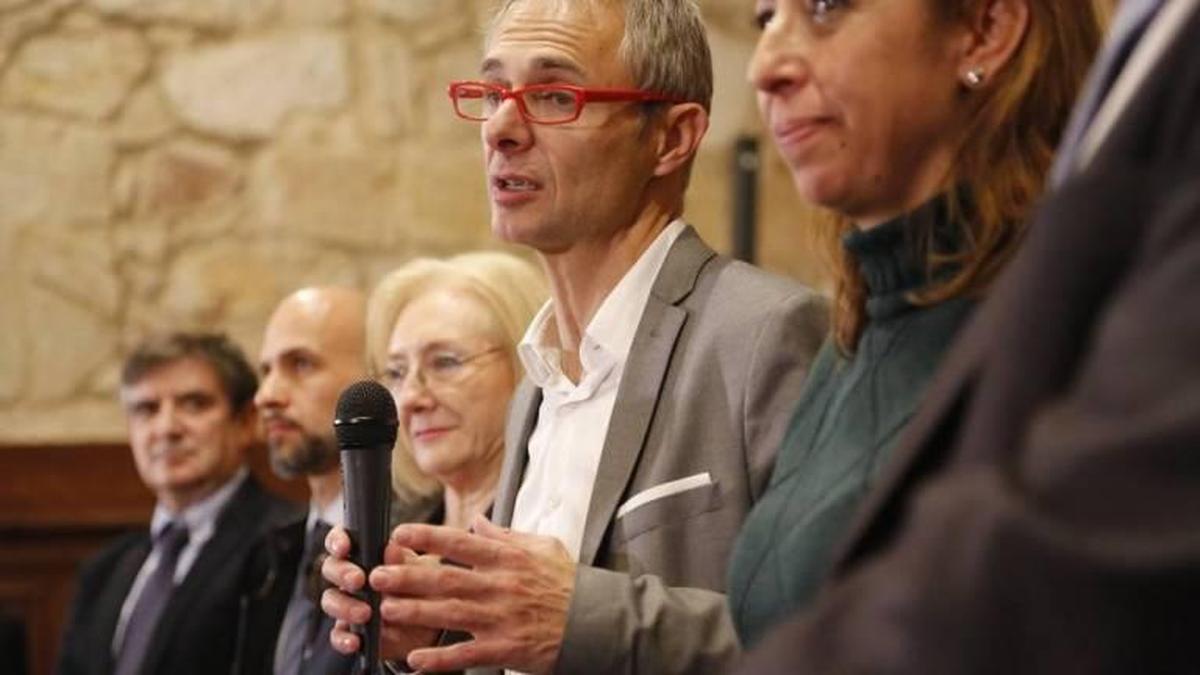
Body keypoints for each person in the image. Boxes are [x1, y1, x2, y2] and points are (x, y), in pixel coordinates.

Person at [321, 0, 829, 673]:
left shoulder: (766, 334)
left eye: (554, 94)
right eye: (494, 90)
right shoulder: (535, 383)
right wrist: (435, 640)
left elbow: (845, 633)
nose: (501, 127)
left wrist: (582, 617)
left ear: (672, 137)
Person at [735, 0, 1200, 671]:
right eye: (764, 18)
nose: (764, 66)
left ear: (985, 32)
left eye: (825, 7)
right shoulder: (857, 324)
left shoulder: (1062, 322)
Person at [56, 333, 295, 675]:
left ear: (244, 422)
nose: (167, 428)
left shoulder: (286, 543)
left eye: (194, 404)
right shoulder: (104, 571)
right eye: (147, 410)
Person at [235, 286, 436, 675]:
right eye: (266, 371)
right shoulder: (275, 547)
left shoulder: (416, 545)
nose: (266, 396)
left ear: (375, 379)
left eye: (301, 364)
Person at [366, 253, 547, 530]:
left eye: (445, 363)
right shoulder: (390, 538)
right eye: (397, 373)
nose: (411, 399)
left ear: (525, 364)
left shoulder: (546, 542)